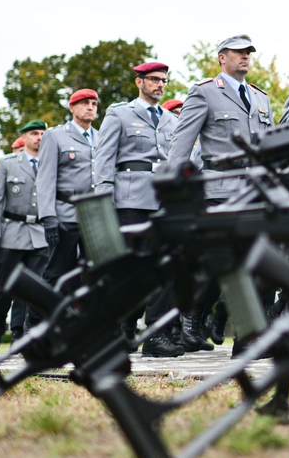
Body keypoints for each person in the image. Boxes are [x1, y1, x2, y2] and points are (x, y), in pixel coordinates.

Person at [168, 36, 274, 353]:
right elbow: (181, 144)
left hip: (255, 188)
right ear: (221, 59)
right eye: (239, 53)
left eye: (248, 53)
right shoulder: (205, 93)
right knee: (222, 262)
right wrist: (175, 187)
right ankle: (198, 313)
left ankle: (247, 336)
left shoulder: (260, 98)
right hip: (219, 187)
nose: (245, 57)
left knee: (258, 261)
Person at [95, 62, 181, 357]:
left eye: (164, 81)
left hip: (163, 200)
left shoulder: (171, 120)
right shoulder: (119, 113)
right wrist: (103, 199)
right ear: (139, 82)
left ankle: (156, 336)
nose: (160, 85)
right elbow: (103, 157)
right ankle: (120, 330)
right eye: (154, 80)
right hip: (130, 198)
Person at [0, 119, 51, 352]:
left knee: (36, 287)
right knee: (4, 286)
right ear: (24, 137)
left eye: (43, 133)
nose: (39, 137)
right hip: (12, 233)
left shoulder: (52, 164)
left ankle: (26, 333)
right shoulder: (8, 164)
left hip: (41, 234)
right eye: (34, 133)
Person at [37, 88, 100, 291]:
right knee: (58, 272)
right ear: (72, 107)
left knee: (92, 274)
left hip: (93, 215)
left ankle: (82, 321)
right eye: (84, 103)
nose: (90, 107)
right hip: (65, 214)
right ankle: (38, 321)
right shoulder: (55, 136)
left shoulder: (101, 138)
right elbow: (45, 178)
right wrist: (48, 216)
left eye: (94, 103)